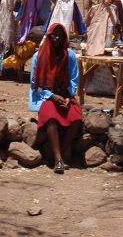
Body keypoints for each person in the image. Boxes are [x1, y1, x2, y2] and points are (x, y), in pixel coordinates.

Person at [29, 23, 82, 174]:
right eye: (54, 35)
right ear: (49, 36)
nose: (57, 38)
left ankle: (64, 149)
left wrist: (69, 96)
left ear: (64, 37)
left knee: (76, 117)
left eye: (60, 35)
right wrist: (51, 96)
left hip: (65, 96)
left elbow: (74, 79)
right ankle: (58, 159)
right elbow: (35, 84)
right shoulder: (39, 56)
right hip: (46, 97)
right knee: (51, 118)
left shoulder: (69, 55)